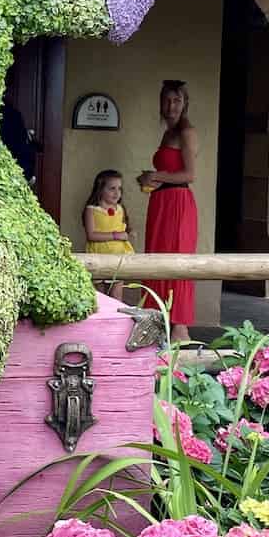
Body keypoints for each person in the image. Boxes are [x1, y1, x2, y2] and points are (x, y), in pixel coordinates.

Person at [138, 79, 198, 344]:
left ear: (185, 104)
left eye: (177, 100)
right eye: (167, 100)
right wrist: (149, 179)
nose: (171, 106)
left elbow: (189, 174)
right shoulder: (168, 133)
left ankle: (180, 329)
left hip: (178, 203)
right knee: (157, 259)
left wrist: (156, 174)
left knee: (177, 260)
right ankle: (159, 320)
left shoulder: (187, 131)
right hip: (161, 201)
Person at [82, 168, 133, 298]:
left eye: (119, 189)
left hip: (117, 257)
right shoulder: (92, 210)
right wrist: (115, 235)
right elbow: (91, 235)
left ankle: (116, 318)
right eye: (112, 188)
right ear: (100, 189)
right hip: (98, 256)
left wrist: (127, 234)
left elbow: (124, 228)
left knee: (116, 295)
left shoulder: (120, 209)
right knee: (99, 297)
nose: (117, 193)